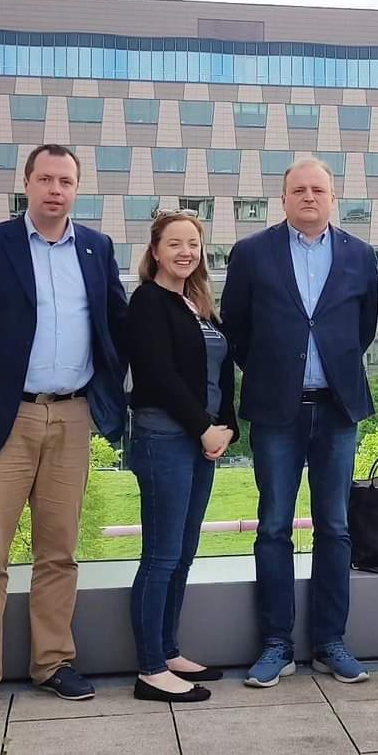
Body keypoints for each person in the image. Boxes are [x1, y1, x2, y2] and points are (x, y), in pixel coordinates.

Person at [0, 144, 127, 719]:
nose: (55, 190)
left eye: (65, 181)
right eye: (45, 179)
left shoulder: (96, 247)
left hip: (72, 416)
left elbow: (117, 324)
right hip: (2, 417)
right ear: (27, 184)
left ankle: (53, 661)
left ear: (77, 188)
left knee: (60, 550)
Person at [222, 157, 378, 687]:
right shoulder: (251, 253)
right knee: (273, 526)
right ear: (283, 198)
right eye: (298, 190)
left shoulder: (359, 255)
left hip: (337, 409)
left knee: (335, 527)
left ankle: (331, 642)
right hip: (276, 412)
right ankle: (276, 644)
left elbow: (363, 328)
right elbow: (236, 330)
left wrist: (329, 368)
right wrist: (276, 373)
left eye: (318, 190)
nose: (309, 197)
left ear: (333, 198)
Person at [126, 211, 239, 702]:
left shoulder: (199, 305)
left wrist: (227, 427)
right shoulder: (149, 302)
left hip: (202, 442)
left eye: (193, 243)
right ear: (155, 251)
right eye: (174, 244)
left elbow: (222, 373)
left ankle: (169, 651)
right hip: (165, 439)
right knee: (161, 556)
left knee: (184, 554)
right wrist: (202, 428)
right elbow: (158, 376)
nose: (185, 252)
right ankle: (150, 669)